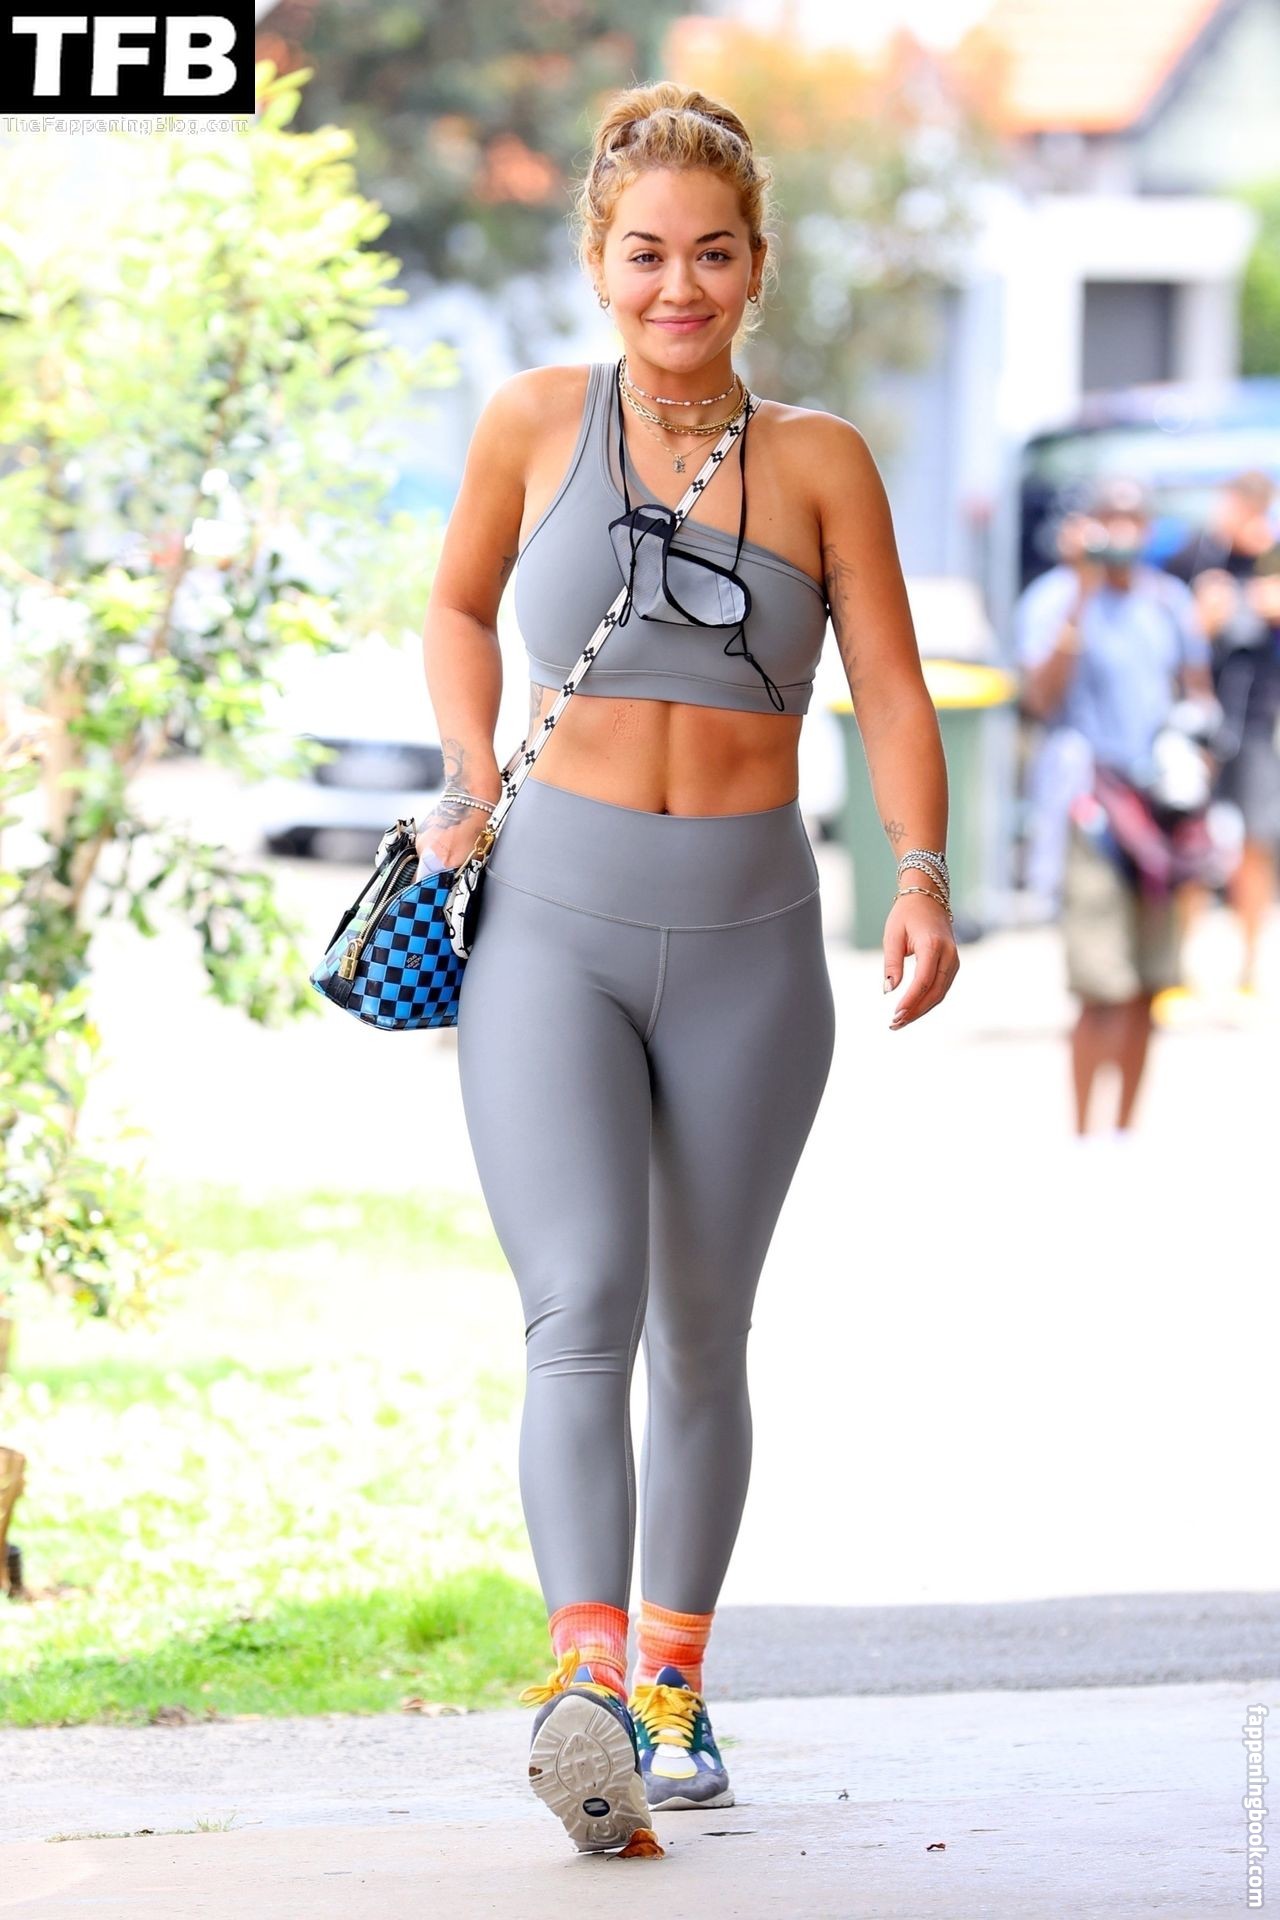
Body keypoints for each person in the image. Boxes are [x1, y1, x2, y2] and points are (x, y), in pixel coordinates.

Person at [414, 82, 959, 1860]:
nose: (677, 286)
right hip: (551, 926)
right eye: (645, 253)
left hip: (751, 944)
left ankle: (670, 1686)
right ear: (600, 259)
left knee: (702, 1331)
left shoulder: (820, 461)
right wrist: (464, 768)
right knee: (579, 1303)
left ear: (755, 266)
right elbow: (456, 604)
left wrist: (923, 872)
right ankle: (583, 1686)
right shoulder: (529, 424)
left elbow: (891, 685)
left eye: (712, 254)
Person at [1015, 476, 1217, 1138]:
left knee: (1149, 983)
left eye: (1133, 518)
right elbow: (1040, 698)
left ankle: (1124, 1134)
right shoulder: (1055, 599)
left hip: (1158, 812)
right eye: (1110, 518)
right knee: (1100, 983)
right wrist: (1083, 591)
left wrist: (1195, 763)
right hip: (1090, 809)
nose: (1122, 531)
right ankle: (1085, 1135)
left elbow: (1197, 693)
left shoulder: (1168, 601)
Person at [1163, 470, 1280, 996]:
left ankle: (1250, 967)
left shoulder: (1273, 557)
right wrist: (1202, 618)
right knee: (1189, 838)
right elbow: (1169, 629)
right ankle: (1180, 964)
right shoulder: (1196, 557)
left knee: (1257, 841)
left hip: (1259, 718)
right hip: (1201, 720)